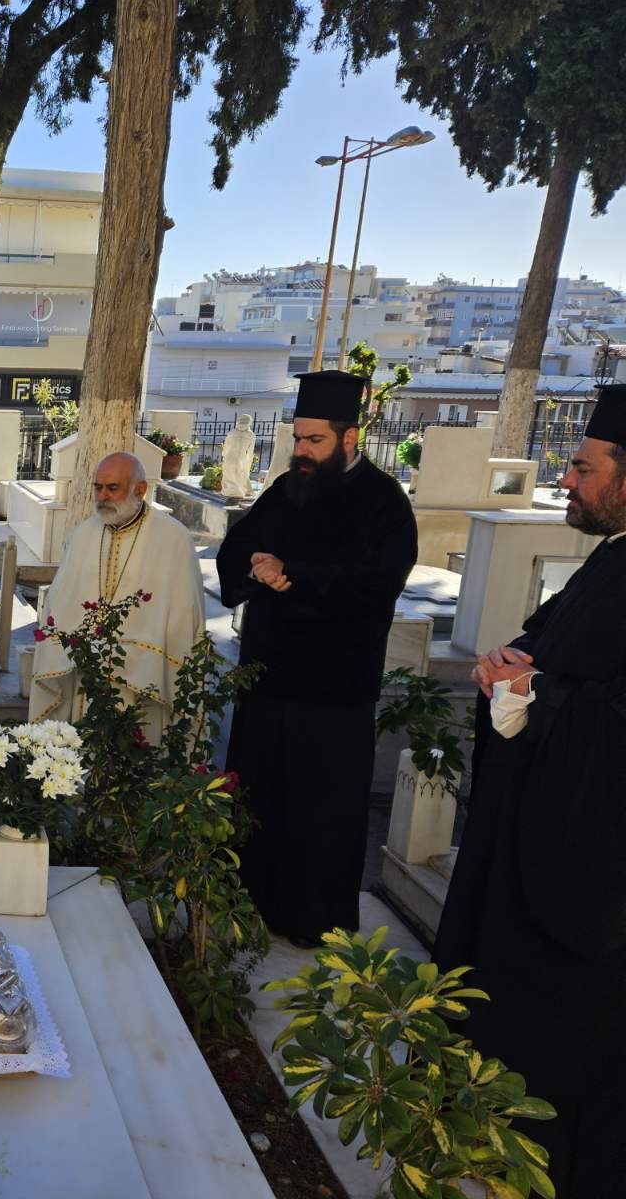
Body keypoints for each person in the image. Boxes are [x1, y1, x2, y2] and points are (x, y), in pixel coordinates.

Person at [433, 383, 626, 1195]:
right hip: (529, 845)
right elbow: (545, 648)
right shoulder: (611, 559)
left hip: (590, 882)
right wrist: (504, 666)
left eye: (582, 467)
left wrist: (536, 693)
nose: (567, 483)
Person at [218, 370, 417, 946]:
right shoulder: (287, 487)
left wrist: (294, 577)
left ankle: (311, 923)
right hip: (268, 682)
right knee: (258, 802)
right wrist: (255, 564)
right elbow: (236, 547)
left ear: (349, 439)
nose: (300, 452)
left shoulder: (384, 502)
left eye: (314, 441)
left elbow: (378, 584)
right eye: (298, 439)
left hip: (333, 691)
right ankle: (247, 911)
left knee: (318, 815)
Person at [29, 451, 205, 738]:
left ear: (140, 489)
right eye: (98, 487)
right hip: (86, 673)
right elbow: (61, 600)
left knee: (139, 747)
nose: (102, 496)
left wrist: (134, 650)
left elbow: (184, 613)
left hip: (146, 678)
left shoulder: (174, 539)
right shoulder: (84, 534)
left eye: (112, 488)